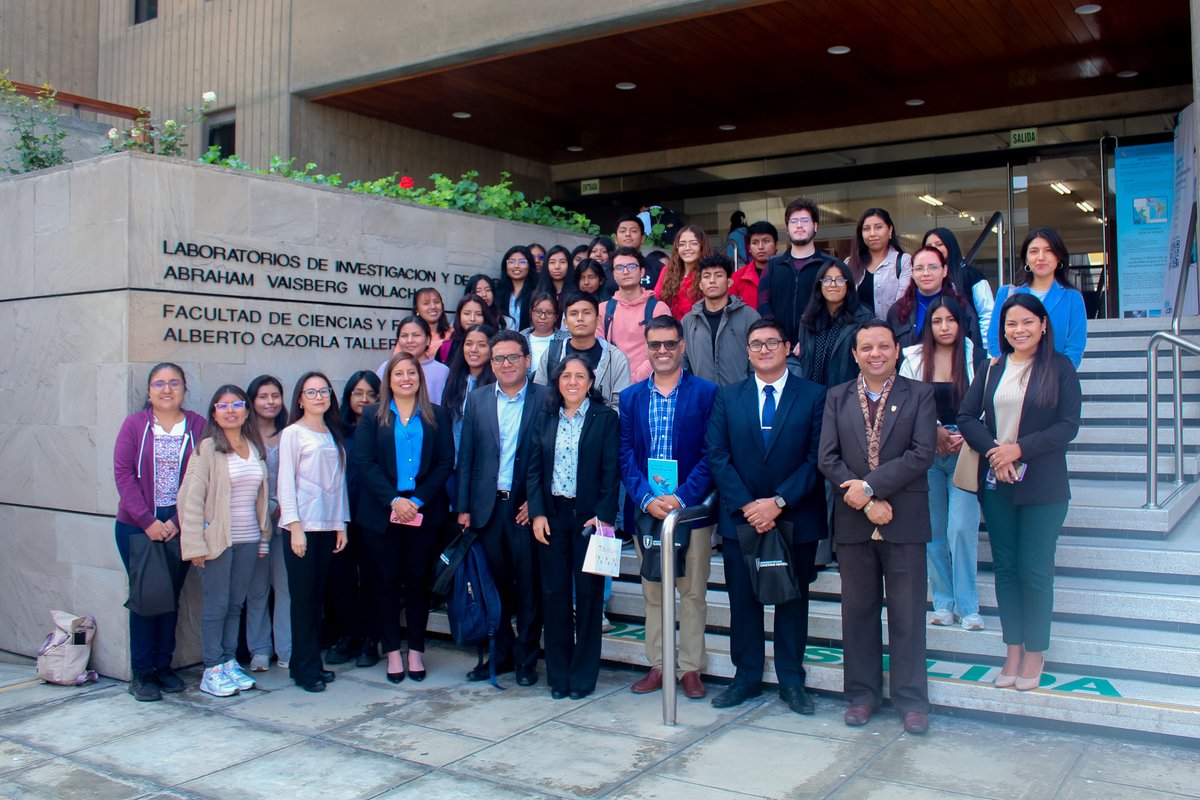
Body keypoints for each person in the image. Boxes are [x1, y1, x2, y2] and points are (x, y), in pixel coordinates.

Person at [959, 294, 1081, 690]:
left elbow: (1068, 426)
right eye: (1011, 324)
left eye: (1028, 322)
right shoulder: (992, 367)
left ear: (1043, 325)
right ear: (1003, 330)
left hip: (1044, 487)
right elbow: (965, 416)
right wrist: (997, 452)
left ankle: (1035, 653)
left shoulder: (1060, 368)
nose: (1019, 330)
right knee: (1007, 570)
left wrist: (1019, 449)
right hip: (998, 484)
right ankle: (1012, 649)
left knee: (1035, 569)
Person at [818, 321, 936, 734]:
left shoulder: (919, 395)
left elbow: (922, 454)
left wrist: (870, 487)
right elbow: (828, 458)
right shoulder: (836, 397)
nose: (875, 354)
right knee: (858, 613)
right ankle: (862, 695)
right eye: (866, 347)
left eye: (883, 346)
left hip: (904, 519)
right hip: (854, 520)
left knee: (907, 614)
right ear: (854, 355)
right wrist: (866, 500)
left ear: (896, 351)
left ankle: (911, 701)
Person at [706, 319, 828, 713]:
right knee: (743, 602)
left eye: (772, 342)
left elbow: (816, 459)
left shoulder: (813, 396)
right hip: (742, 519)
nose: (763, 349)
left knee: (793, 601)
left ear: (788, 346)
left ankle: (793, 681)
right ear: (747, 351)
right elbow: (718, 455)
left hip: (795, 516)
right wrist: (748, 506)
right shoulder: (728, 396)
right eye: (755, 344)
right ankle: (747, 678)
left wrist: (777, 502)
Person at [619, 316, 717, 701]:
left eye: (669, 344)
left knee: (692, 591)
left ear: (682, 347)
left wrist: (681, 499)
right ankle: (659, 664)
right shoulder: (630, 397)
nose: (662, 351)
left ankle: (690, 668)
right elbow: (625, 453)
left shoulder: (707, 394)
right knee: (654, 592)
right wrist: (646, 497)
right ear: (647, 347)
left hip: (690, 512)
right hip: (648, 511)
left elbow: (712, 453)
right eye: (655, 344)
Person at [356, 352, 456, 684]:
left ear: (420, 378)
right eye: (398, 373)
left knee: (417, 583)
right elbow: (365, 462)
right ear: (389, 379)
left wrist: (416, 500)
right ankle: (392, 652)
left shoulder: (436, 415)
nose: (405, 378)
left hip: (423, 512)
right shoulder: (372, 415)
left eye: (411, 373)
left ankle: (415, 649)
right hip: (382, 514)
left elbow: (445, 462)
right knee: (385, 584)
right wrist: (394, 500)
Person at [527, 356, 621, 700]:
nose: (572, 382)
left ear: (590, 382)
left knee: (589, 595)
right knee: (553, 596)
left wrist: (604, 515)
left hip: (588, 520)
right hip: (552, 516)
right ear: (557, 381)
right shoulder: (546, 416)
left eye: (579, 376)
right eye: (566, 376)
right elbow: (534, 470)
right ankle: (559, 675)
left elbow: (613, 472)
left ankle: (583, 676)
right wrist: (537, 513)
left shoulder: (605, 418)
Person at [456, 330, 548, 684]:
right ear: (490, 364)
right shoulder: (477, 400)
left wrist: (536, 502)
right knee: (491, 589)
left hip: (525, 511)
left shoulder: (545, 398)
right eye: (499, 359)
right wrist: (463, 506)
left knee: (528, 589)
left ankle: (527, 661)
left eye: (513, 357)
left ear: (527, 360)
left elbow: (552, 455)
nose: (506, 364)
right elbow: (467, 457)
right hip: (486, 509)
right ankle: (502, 654)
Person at [113, 363, 204, 701]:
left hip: (180, 524)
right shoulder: (135, 425)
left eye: (174, 383)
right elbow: (123, 474)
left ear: (184, 388)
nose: (167, 389)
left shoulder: (197, 425)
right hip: (137, 527)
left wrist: (178, 520)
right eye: (159, 384)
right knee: (146, 598)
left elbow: (202, 477)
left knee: (171, 598)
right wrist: (147, 521)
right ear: (149, 391)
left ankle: (164, 666)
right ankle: (142, 672)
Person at [178, 385, 270, 697]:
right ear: (214, 413)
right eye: (222, 405)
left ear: (246, 411)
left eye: (237, 404)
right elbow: (189, 499)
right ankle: (212, 668)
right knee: (216, 606)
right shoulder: (207, 449)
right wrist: (194, 546)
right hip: (217, 542)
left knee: (235, 604)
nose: (230, 410)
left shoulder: (254, 448)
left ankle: (229, 661)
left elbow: (261, 498)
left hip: (247, 539)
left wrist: (264, 537)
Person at [899, 297, 983, 630]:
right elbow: (905, 402)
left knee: (960, 529)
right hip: (926, 451)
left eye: (951, 320)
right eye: (937, 321)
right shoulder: (914, 357)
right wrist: (933, 430)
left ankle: (968, 606)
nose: (944, 327)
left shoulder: (977, 356)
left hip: (967, 450)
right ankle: (944, 603)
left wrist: (966, 431)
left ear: (961, 323)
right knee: (932, 533)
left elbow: (987, 401)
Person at [277, 372, 350, 693]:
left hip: (327, 526)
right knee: (303, 601)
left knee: (317, 598)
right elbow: (285, 483)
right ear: (300, 399)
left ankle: (308, 663)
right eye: (312, 391)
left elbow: (338, 484)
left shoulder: (332, 433)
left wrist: (340, 524)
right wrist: (294, 527)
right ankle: (305, 670)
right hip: (302, 528)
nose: (319, 396)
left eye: (324, 391)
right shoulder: (292, 433)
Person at [324, 371, 382, 669]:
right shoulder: (336, 431)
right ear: (348, 397)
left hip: (374, 516)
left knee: (372, 579)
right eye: (358, 393)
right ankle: (349, 635)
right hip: (341, 516)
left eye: (371, 394)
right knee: (342, 579)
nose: (364, 399)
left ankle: (372, 639)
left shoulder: (384, 426)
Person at [987, 228, 1087, 368]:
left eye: (1048, 250)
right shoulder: (1006, 293)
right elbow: (993, 339)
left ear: (1058, 257)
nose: (1041, 257)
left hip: (1054, 378)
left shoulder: (1072, 297)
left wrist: (1060, 374)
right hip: (1013, 377)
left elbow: (1075, 347)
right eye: (1034, 251)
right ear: (1026, 259)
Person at [244, 375, 291, 672]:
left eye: (275, 395)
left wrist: (282, 507)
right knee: (257, 589)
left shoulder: (291, 434)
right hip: (252, 523)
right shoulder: (242, 438)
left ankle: (286, 648)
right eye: (263, 396)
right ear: (252, 401)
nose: (270, 401)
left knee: (286, 588)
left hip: (285, 521)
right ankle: (259, 649)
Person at [758, 197, 837, 345]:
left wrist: (811, 338)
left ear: (815, 226)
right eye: (794, 221)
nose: (799, 226)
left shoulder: (830, 265)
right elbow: (763, 303)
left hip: (819, 345)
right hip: (780, 347)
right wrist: (778, 338)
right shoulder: (773, 265)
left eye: (805, 221)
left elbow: (836, 306)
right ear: (787, 229)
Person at [534, 291, 632, 410]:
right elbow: (538, 397)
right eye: (574, 314)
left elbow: (620, 405)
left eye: (586, 313)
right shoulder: (552, 354)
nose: (580, 318)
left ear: (598, 319)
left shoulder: (616, 358)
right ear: (565, 322)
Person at [681, 253, 760, 386]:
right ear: (700, 284)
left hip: (740, 397)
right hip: (702, 399)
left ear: (729, 282)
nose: (712, 280)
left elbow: (758, 361)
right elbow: (683, 364)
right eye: (706, 276)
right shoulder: (688, 321)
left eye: (718, 275)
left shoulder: (750, 317)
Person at [887, 246, 982, 355]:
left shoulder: (961, 308)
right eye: (919, 268)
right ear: (912, 273)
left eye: (933, 267)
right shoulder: (897, 310)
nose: (926, 273)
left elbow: (976, 353)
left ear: (945, 270)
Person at [795, 260, 872, 388]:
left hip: (848, 395)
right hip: (814, 395)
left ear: (848, 285)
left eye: (840, 280)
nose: (833, 285)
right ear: (819, 285)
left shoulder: (863, 318)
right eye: (826, 280)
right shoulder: (808, 320)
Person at [600, 247, 672, 383]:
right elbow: (597, 351)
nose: (625, 272)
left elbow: (661, 352)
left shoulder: (658, 309)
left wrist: (632, 381)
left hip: (650, 386)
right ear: (613, 274)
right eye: (619, 268)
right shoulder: (602, 310)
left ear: (642, 271)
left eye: (631, 266)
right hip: (611, 387)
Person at [924, 227, 994, 339]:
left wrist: (984, 347)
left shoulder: (972, 275)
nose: (934, 249)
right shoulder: (924, 279)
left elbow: (987, 313)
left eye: (939, 244)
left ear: (950, 245)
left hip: (969, 347)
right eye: (929, 246)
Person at [846, 208, 912, 321]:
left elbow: (903, 304)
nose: (872, 234)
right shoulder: (849, 263)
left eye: (878, 227)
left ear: (890, 230)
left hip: (892, 333)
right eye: (866, 229)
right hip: (857, 334)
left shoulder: (904, 261)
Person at [443, 323, 498, 449]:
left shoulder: (497, 385)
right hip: (454, 459)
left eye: (482, 345)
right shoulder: (453, 379)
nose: (474, 349)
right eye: (468, 344)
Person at [381, 316, 449, 403]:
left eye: (416, 335)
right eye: (404, 336)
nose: (410, 340)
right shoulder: (386, 368)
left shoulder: (442, 371)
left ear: (428, 340)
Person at [655, 225, 712, 320]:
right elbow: (657, 300)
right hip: (671, 329)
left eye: (693, 243)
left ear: (702, 246)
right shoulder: (667, 271)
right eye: (682, 244)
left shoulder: (709, 273)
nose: (687, 248)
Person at [439, 293, 499, 363]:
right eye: (467, 314)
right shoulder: (447, 346)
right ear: (459, 316)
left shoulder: (496, 344)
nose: (472, 319)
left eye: (478, 314)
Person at [730, 220, 776, 311]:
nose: (761, 247)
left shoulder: (787, 273)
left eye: (766, 241)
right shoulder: (737, 278)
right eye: (755, 242)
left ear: (776, 245)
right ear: (749, 248)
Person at [522, 292, 568, 375]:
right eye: (538, 312)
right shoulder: (520, 337)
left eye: (549, 313)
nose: (543, 317)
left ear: (556, 316)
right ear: (531, 312)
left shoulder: (566, 339)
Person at [497, 245, 537, 331]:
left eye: (522, 262)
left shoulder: (537, 292)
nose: (516, 266)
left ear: (529, 265)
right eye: (511, 262)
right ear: (505, 266)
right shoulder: (498, 293)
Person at [414, 287, 452, 363]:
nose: (433, 307)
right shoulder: (410, 336)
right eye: (426, 303)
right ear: (417, 310)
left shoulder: (453, 334)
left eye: (436, 302)